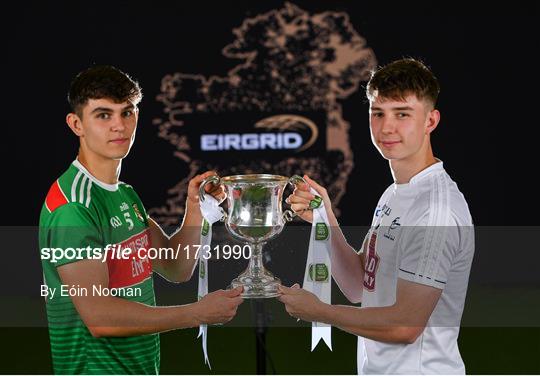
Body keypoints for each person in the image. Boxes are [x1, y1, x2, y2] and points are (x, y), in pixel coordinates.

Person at [39, 65, 244, 374]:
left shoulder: (125, 194)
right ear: (76, 124)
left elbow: (175, 266)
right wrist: (197, 313)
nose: (119, 126)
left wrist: (196, 210)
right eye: (104, 115)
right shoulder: (74, 206)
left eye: (128, 112)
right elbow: (100, 317)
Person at [280, 58, 474, 374]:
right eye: (378, 113)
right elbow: (359, 285)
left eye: (402, 114)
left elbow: (404, 327)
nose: (386, 127)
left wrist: (321, 311)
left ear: (430, 121)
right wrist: (324, 218)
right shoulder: (396, 192)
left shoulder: (435, 210)